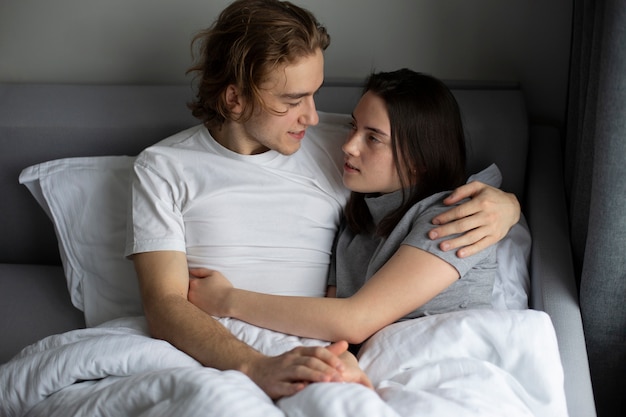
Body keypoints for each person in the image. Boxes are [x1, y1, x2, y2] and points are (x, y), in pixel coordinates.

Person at [125, 0, 520, 401]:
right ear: (235, 100)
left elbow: (427, 160)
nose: (314, 118)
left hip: (339, 346)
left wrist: (509, 206)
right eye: (293, 100)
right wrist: (255, 365)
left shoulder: (346, 146)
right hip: (228, 350)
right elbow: (165, 304)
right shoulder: (163, 168)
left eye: (315, 94)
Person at [188, 69, 500, 347]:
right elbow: (334, 325)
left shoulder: (454, 217)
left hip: (446, 356)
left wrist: (227, 300)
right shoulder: (355, 226)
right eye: (354, 127)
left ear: (419, 160)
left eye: (373, 138)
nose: (348, 145)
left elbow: (354, 320)